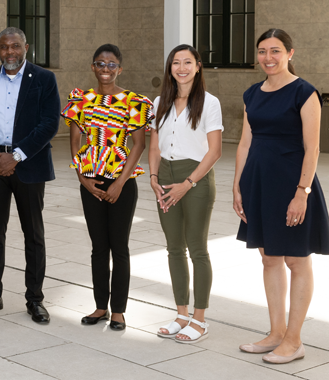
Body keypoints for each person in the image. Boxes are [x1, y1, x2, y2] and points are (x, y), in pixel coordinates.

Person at [234, 28, 329, 364]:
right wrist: (238, 186)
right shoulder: (252, 93)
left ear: (290, 53)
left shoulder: (304, 93)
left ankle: (294, 341)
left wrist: (302, 192)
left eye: (275, 51)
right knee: (269, 259)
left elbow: (313, 147)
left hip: (292, 184)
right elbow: (246, 143)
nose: (268, 58)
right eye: (262, 51)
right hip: (259, 183)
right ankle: (276, 333)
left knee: (296, 259)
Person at [0, 27, 61, 324]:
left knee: (33, 235)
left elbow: (49, 123)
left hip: (28, 166)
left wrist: (16, 156)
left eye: (15, 46)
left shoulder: (44, 79)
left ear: (26, 47)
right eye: (5, 47)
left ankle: (35, 299)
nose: (10, 52)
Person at [61, 44, 154, 331]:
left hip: (122, 182)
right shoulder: (81, 101)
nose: (105, 69)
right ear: (92, 67)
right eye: (100, 63)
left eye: (111, 64)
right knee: (98, 247)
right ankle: (101, 306)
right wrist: (82, 178)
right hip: (90, 180)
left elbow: (139, 144)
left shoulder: (134, 101)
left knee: (120, 247)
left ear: (120, 68)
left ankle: (119, 311)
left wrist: (120, 183)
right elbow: (75, 142)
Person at [148, 44, 223, 343]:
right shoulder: (159, 101)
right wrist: (153, 176)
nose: (181, 67)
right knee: (173, 248)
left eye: (187, 62)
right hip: (165, 176)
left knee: (197, 249)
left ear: (198, 66)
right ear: (170, 68)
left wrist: (188, 183)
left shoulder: (210, 103)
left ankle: (200, 319)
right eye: (176, 62)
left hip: (196, 180)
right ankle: (181, 314)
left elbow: (215, 151)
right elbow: (154, 145)